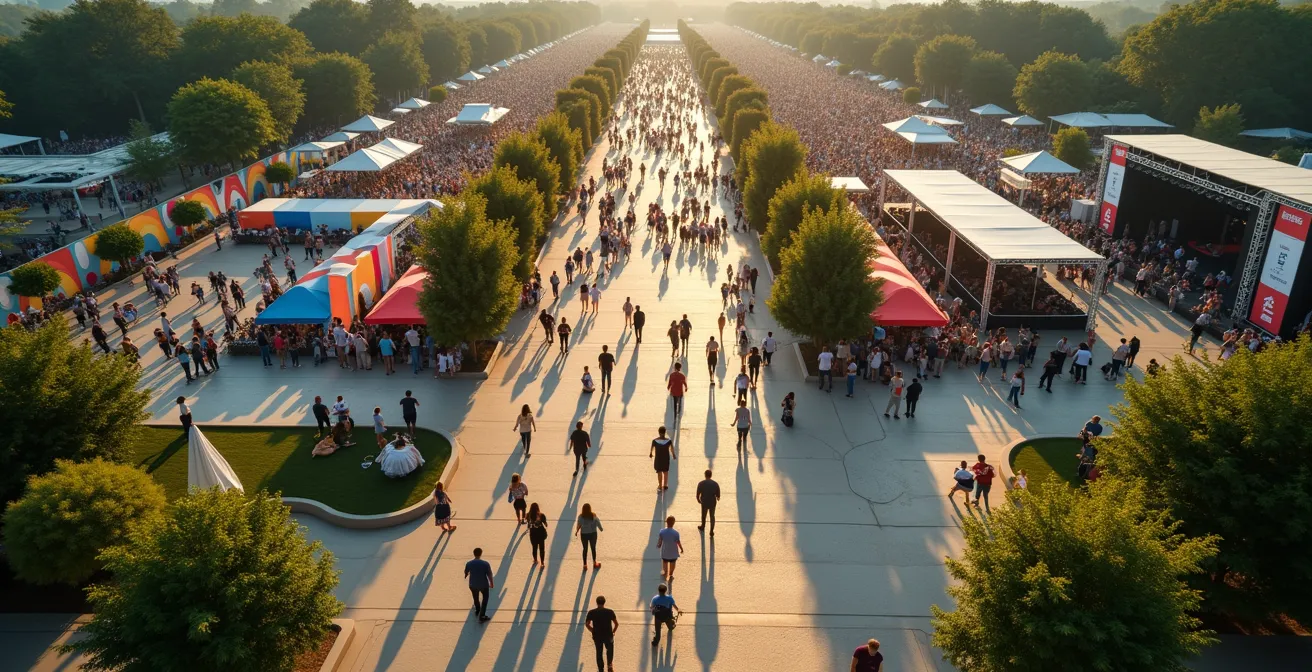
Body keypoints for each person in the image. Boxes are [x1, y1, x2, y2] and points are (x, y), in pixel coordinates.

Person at [585, 595, 618, 672]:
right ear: (604, 602)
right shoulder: (610, 612)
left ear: (597, 603)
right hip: (608, 635)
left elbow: (587, 624)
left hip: (597, 636)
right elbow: (616, 624)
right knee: (610, 650)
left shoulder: (591, 612)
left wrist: (593, 630)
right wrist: (613, 632)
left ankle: (601, 669)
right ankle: (609, 665)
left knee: (599, 651)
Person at [464, 548, 494, 623]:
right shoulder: (485, 564)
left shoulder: (469, 563)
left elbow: (466, 572)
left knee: (475, 597)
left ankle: (477, 609)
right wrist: (491, 583)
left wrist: (466, 574)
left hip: (473, 584)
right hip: (483, 584)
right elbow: (489, 574)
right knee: (485, 599)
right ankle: (482, 616)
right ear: (481, 553)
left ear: (474, 553)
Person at [576, 502, 603, 570]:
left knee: (585, 549)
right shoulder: (593, 515)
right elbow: (597, 522)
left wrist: (577, 531)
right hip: (593, 534)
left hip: (584, 534)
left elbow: (579, 524)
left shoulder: (580, 517)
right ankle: (594, 563)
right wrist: (601, 528)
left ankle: (585, 565)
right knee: (593, 548)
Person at [656, 515, 683, 581]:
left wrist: (658, 545)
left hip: (665, 552)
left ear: (666, 522)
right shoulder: (676, 533)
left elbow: (659, 542)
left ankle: (665, 572)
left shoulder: (662, 531)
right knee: (672, 563)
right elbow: (678, 542)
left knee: (665, 563)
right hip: (673, 552)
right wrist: (681, 548)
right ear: (673, 523)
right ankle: (671, 574)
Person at [650, 425, 676, 491]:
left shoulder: (655, 441)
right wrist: (673, 455)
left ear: (659, 432)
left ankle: (660, 485)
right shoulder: (668, 441)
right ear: (665, 432)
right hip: (665, 459)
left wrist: (650, 453)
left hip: (658, 459)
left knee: (659, 472)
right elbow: (672, 449)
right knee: (665, 472)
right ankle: (665, 485)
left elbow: (652, 448)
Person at [696, 469, 720, 535]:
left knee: (703, 515)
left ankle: (703, 526)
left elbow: (698, 493)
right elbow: (718, 495)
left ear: (705, 475)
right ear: (711, 475)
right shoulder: (715, 484)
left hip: (704, 501)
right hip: (712, 502)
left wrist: (698, 499)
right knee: (712, 516)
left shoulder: (701, 483)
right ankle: (711, 530)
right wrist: (718, 497)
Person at [526, 502, 549, 568]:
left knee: (534, 548)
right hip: (540, 534)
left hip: (533, 534)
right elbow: (546, 524)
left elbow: (528, 523)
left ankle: (535, 560)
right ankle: (542, 563)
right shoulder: (541, 515)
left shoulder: (528, 515)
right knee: (542, 548)